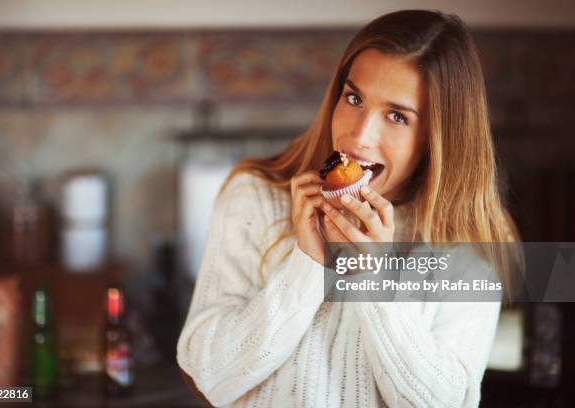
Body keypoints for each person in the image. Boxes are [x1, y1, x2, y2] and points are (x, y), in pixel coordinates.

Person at [177, 9, 520, 408]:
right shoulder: (254, 197)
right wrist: (306, 263)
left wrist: (374, 279)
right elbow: (209, 378)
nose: (359, 135)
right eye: (354, 98)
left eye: (397, 116)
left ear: (437, 138)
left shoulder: (470, 254)